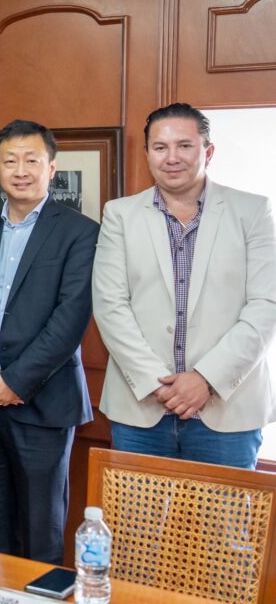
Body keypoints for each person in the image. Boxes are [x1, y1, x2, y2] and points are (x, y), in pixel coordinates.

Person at [92, 102, 276, 469]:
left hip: (227, 412)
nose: (172, 157)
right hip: (141, 408)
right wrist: (157, 384)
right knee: (134, 510)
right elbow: (110, 306)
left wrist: (206, 379)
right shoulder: (120, 215)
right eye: (160, 147)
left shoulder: (252, 211)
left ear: (208, 151)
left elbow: (266, 306)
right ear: (148, 154)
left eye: (185, 145)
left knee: (222, 510)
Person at [0, 120, 98, 564]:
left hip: (44, 405)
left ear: (51, 168)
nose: (20, 170)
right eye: (10, 161)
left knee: (42, 530)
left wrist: (15, 381)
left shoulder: (80, 232)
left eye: (31, 160)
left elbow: (70, 319)